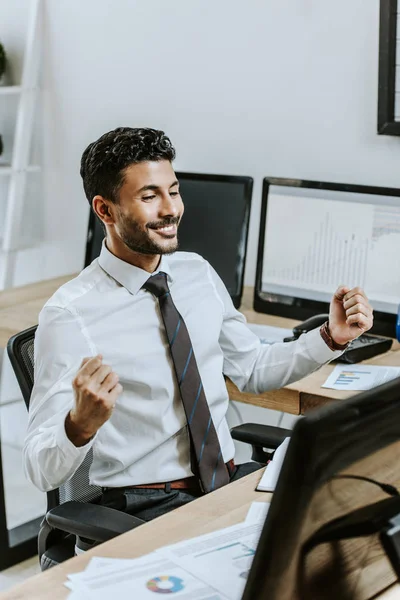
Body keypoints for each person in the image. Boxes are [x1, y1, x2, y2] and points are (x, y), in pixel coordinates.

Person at [24, 127, 374, 522]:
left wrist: (331, 337)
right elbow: (40, 468)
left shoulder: (197, 273)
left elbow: (253, 369)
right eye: (149, 196)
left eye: (173, 191)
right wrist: (79, 426)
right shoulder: (70, 313)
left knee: (343, 530)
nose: (170, 208)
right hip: (145, 507)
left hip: (225, 484)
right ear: (105, 210)